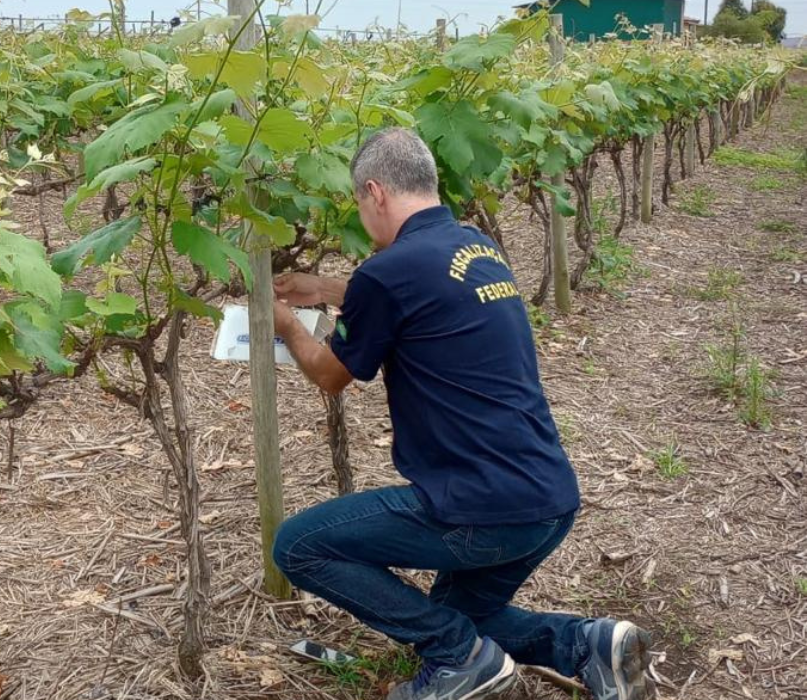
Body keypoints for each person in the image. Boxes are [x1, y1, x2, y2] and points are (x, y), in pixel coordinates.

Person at [270, 128, 654, 700]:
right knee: (464, 615)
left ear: (374, 192)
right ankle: (590, 644)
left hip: (481, 509)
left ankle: (460, 660)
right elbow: (420, 296)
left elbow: (331, 375)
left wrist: (282, 324)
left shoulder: (387, 272)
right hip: (547, 499)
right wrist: (326, 288)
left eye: (357, 201)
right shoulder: (476, 248)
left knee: (299, 545)